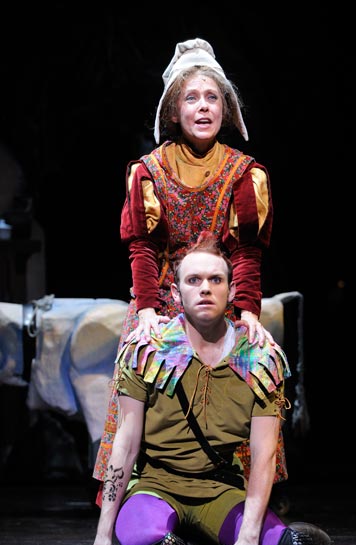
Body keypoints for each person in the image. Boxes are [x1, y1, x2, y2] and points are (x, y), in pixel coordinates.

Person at [55, 232, 330, 545]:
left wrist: (248, 538)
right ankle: (195, 542)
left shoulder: (260, 358)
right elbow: (124, 445)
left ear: (231, 291)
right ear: (175, 292)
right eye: (193, 280)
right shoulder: (147, 350)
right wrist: (101, 542)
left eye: (216, 280)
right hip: (156, 486)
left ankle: (218, 539)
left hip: (220, 487)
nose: (204, 288)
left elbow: (264, 456)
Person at [93, 37, 288, 492]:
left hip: (222, 301)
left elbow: (247, 252)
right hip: (159, 300)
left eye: (213, 97)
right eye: (192, 98)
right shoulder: (149, 169)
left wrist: (248, 314)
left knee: (251, 370)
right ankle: (139, 497)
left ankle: (243, 495)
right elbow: (141, 247)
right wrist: (145, 314)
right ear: (174, 111)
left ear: (226, 108)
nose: (203, 107)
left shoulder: (244, 172)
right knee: (143, 377)